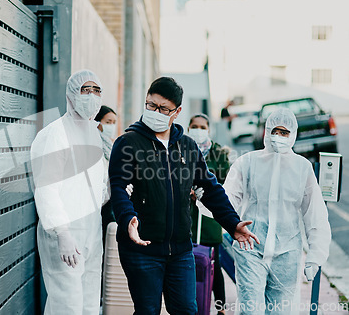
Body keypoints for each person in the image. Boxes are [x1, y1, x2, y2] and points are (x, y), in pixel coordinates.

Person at [108, 76, 260, 314]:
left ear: (176, 112)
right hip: (142, 249)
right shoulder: (127, 143)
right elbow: (119, 187)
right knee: (147, 311)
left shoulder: (187, 147)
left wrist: (232, 223)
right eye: (151, 105)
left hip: (180, 251)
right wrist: (128, 219)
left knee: (188, 310)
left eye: (163, 108)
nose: (155, 112)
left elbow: (209, 189)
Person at [223, 108, 331, 315]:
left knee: (280, 311)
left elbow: (314, 214)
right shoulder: (248, 162)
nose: (278, 137)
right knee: (250, 310)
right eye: (275, 131)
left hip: (287, 252)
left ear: (293, 135)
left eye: (284, 132)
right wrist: (205, 200)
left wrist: (315, 256)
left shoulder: (302, 168)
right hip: (250, 246)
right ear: (266, 131)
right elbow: (227, 199)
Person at [30, 70, 106, 314]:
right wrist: (62, 232)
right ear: (72, 94)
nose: (92, 96)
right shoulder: (54, 134)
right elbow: (46, 188)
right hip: (66, 235)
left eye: (97, 91)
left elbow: (93, 187)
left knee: (89, 306)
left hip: (92, 234)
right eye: (86, 90)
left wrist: (113, 191)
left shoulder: (94, 134)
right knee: (67, 306)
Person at [188, 113, 230, 315]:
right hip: (186, 217)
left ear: (208, 129)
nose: (198, 130)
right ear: (188, 128)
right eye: (194, 126)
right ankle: (194, 304)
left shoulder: (219, 154)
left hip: (209, 217)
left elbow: (226, 185)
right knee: (189, 264)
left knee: (215, 263)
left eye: (202, 127)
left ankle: (220, 307)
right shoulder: (182, 149)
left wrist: (206, 193)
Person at [94, 105, 118, 240]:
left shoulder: (111, 146)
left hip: (109, 203)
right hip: (97, 204)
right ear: (97, 123)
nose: (111, 126)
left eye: (114, 123)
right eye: (108, 122)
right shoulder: (93, 144)